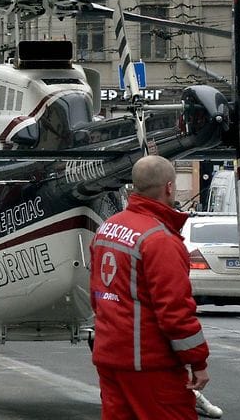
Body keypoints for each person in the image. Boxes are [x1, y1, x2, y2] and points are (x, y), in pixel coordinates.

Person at [89, 155, 209, 420]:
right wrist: (197, 361)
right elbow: (174, 312)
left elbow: (97, 296)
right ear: (168, 187)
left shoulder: (107, 229)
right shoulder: (159, 240)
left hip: (110, 357)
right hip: (149, 363)